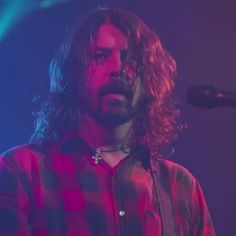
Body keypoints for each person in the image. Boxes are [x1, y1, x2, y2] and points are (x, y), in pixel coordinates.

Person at [0, 7, 215, 236]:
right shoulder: (22, 171)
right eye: (100, 56)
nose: (117, 69)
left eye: (131, 59)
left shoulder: (180, 187)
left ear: (149, 79)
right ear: (73, 73)